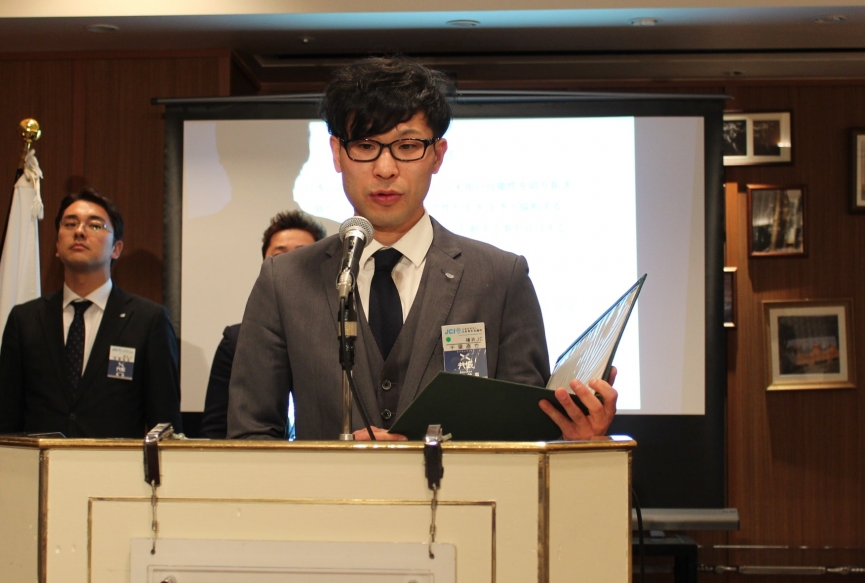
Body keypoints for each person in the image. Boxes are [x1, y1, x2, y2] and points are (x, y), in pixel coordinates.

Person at [227, 56, 616, 441]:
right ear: (336, 152)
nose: (385, 169)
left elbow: (525, 434)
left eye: (407, 146)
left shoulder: (500, 277)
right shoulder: (285, 280)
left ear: (437, 155)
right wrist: (336, 461)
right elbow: (250, 434)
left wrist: (576, 437)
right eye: (365, 145)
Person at [0, 187, 180, 438]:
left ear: (116, 248)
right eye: (70, 224)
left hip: (114, 463)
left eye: (95, 225)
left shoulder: (148, 321)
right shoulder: (25, 320)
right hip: (41, 463)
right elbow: (4, 423)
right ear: (57, 245)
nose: (79, 231)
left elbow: (165, 428)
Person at [198, 210, 326, 438]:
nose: (290, 264)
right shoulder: (235, 341)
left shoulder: (343, 335)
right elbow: (215, 430)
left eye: (302, 254)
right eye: (280, 256)